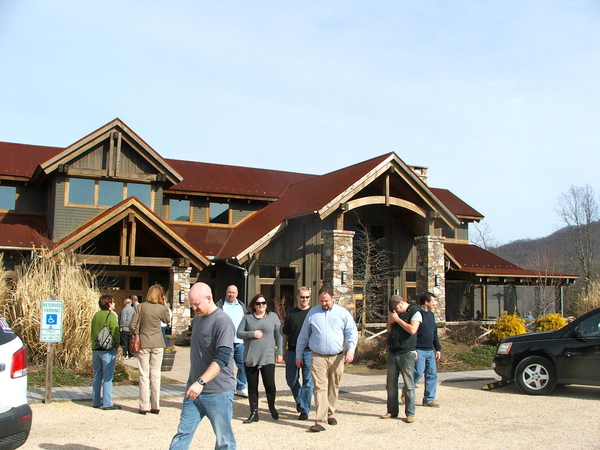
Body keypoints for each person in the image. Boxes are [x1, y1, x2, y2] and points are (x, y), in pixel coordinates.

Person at [169, 282, 237, 450]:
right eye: (191, 304)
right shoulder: (198, 319)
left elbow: (222, 358)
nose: (194, 308)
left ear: (208, 298)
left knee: (224, 440)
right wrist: (195, 384)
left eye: (196, 304)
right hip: (194, 391)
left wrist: (200, 382)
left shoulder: (223, 322)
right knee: (182, 434)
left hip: (218, 392)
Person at [295, 286, 358, 432]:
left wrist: (351, 351)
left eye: (326, 301)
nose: (324, 304)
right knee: (320, 387)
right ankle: (320, 420)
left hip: (337, 356)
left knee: (333, 386)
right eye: (321, 301)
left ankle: (330, 412)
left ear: (333, 299)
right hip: (318, 356)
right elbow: (304, 335)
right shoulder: (313, 313)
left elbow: (351, 333)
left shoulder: (343, 313)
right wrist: (299, 354)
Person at [236, 294, 284, 423]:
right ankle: (254, 412)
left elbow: (279, 336)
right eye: (258, 303)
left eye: (263, 303)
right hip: (251, 357)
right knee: (252, 385)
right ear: (254, 305)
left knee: (270, 384)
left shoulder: (273, 317)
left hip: (268, 356)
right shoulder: (247, 318)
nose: (261, 305)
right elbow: (239, 333)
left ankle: (271, 407)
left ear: (266, 304)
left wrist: (280, 353)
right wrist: (252, 334)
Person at [129, 284, 171, 415]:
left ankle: (143, 406)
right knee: (155, 374)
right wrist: (164, 304)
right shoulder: (161, 308)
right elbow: (168, 320)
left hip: (144, 342)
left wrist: (137, 332)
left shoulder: (140, 307)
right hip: (158, 343)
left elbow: (131, 325)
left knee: (143, 374)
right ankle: (156, 405)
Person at [381, 295, 422, 423]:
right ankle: (392, 411)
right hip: (393, 351)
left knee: (409, 385)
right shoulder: (396, 315)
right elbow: (389, 329)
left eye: (396, 309)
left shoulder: (415, 312)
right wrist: (390, 321)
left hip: (407, 352)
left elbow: (413, 329)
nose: (395, 312)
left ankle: (410, 413)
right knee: (391, 384)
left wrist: (398, 320)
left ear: (401, 304)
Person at [406, 292, 441, 408]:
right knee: (417, 372)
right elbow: (412, 333)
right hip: (419, 349)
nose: (435, 303)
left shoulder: (431, 315)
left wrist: (438, 348)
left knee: (432, 374)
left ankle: (429, 399)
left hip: (430, 350)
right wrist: (413, 349)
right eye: (433, 301)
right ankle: (407, 390)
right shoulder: (417, 314)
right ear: (426, 302)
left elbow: (434, 333)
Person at [282, 286, 313, 420]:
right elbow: (285, 333)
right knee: (291, 379)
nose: (304, 299)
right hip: (293, 351)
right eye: (302, 297)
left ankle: (304, 409)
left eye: (307, 297)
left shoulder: (314, 313)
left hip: (309, 351)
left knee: (308, 381)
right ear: (297, 297)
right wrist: (282, 349)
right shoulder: (291, 312)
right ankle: (300, 400)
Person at [216, 285, 248, 398]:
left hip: (240, 342)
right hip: (226, 342)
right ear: (226, 292)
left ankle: (241, 387)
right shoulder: (220, 305)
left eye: (233, 292)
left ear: (237, 293)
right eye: (229, 292)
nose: (231, 295)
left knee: (243, 365)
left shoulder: (241, 306)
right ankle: (225, 387)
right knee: (225, 366)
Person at [91, 294, 121, 410]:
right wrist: (117, 345)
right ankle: (107, 402)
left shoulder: (96, 315)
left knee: (97, 375)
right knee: (108, 377)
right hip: (107, 349)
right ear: (109, 304)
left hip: (96, 348)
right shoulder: (111, 315)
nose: (114, 304)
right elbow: (115, 331)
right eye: (113, 302)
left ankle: (96, 400)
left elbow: (93, 330)